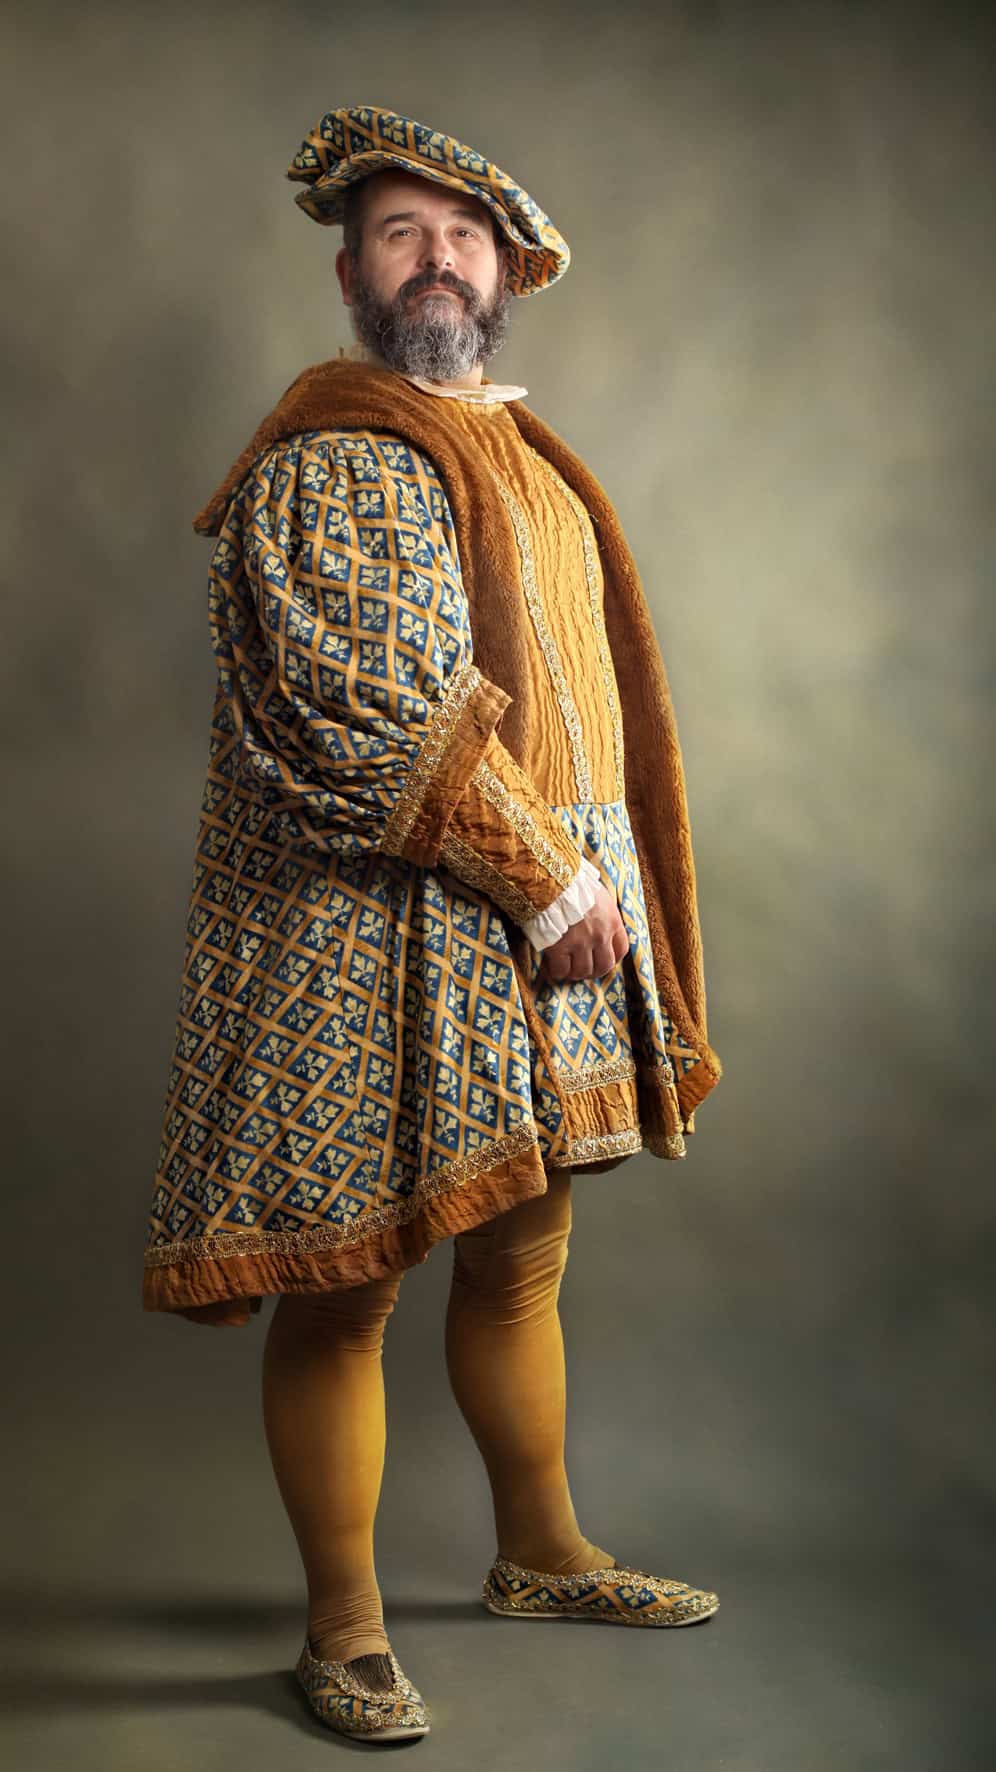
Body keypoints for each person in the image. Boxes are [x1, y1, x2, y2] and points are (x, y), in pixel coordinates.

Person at [142, 105, 723, 1742]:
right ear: (351, 274)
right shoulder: (339, 455)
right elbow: (369, 715)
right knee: (349, 1285)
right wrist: (550, 883)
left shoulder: (523, 453)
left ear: (507, 273)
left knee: (525, 1253)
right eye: (401, 234)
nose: (438, 259)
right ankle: (343, 1628)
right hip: (368, 920)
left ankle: (541, 1553)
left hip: (541, 912)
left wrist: (583, 885)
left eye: (464, 236)